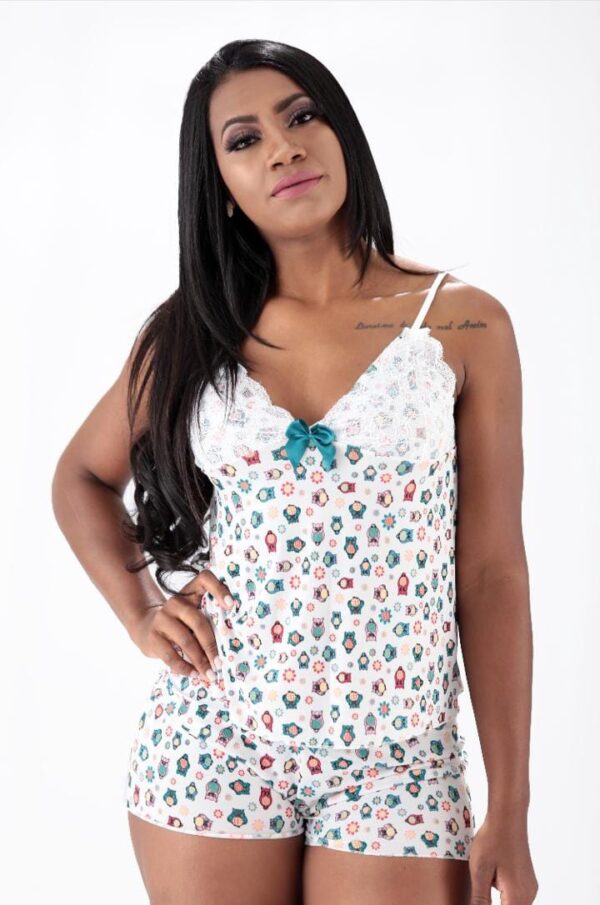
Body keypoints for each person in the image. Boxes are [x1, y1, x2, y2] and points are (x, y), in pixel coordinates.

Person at [51, 38, 537, 905]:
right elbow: (81, 476)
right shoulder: (191, 332)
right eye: (244, 140)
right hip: (213, 742)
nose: (282, 148)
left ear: (342, 132)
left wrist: (512, 801)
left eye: (302, 116)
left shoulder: (465, 325)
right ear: (221, 186)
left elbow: (493, 572)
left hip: (401, 761)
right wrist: (141, 607)